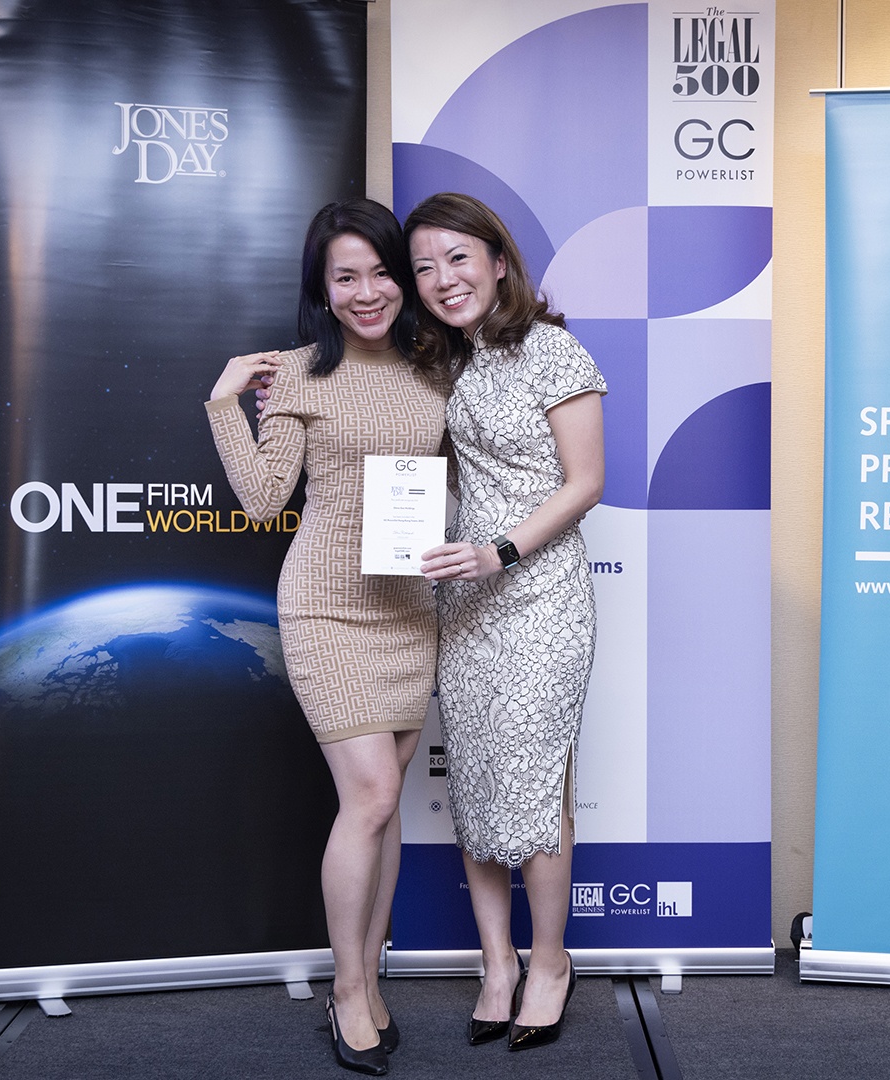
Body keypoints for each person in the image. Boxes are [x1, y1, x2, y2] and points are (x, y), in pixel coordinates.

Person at [206, 198, 449, 1076]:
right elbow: (264, 499)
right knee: (372, 795)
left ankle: (369, 979)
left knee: (383, 810)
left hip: (409, 606)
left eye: (382, 272)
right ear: (321, 288)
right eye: (346, 277)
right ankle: (346, 990)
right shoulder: (299, 374)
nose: (367, 292)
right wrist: (223, 403)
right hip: (326, 606)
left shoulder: (437, 366)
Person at [406, 192, 607, 1051]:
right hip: (465, 602)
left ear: (497, 261)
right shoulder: (447, 363)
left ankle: (550, 962)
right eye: (424, 266)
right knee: (477, 785)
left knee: (533, 783)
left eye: (458, 257)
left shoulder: (552, 349)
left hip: (540, 594)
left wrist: (502, 552)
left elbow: (585, 481)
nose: (443, 278)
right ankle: (497, 965)